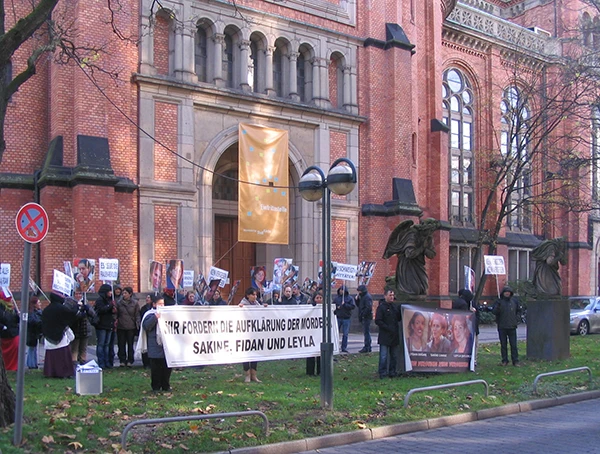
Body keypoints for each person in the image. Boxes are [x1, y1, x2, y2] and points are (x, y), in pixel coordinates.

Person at [382, 218, 440, 295]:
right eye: (428, 231)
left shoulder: (428, 237)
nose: (429, 233)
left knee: (423, 288)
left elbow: (432, 255)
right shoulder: (412, 234)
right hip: (407, 265)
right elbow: (410, 254)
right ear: (424, 228)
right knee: (414, 290)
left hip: (419, 264)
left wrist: (426, 248)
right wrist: (422, 247)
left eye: (431, 231)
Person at [42, 293, 78, 378]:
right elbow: (71, 315)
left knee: (52, 356)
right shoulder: (61, 308)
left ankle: (51, 372)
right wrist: (76, 307)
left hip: (49, 335)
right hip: (60, 335)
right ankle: (64, 372)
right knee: (63, 355)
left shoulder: (46, 309)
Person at [140, 296, 172, 392]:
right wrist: (155, 318)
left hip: (165, 345)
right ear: (154, 304)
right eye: (159, 304)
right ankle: (156, 387)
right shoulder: (149, 314)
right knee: (156, 369)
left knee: (167, 368)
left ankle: (165, 385)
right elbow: (146, 326)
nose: (162, 306)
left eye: (163, 304)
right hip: (154, 345)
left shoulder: (166, 313)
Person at [238, 287, 267, 382]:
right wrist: (239, 308)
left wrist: (264, 308)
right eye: (253, 295)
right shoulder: (242, 304)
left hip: (255, 333)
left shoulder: (257, 304)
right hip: (245, 333)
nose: (255, 297)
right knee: (246, 353)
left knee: (255, 353)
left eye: (255, 295)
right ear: (247, 295)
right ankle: (247, 375)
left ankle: (254, 375)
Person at [492, 286, 522, 366]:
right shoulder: (499, 301)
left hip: (512, 326)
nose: (507, 293)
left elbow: (519, 310)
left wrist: (517, 319)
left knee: (514, 345)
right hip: (502, 326)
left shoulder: (514, 301)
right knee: (503, 345)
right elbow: (494, 312)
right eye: (506, 292)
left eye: (508, 292)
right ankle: (504, 360)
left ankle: (515, 360)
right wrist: (497, 307)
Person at [375, 288, 401, 379]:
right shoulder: (381, 307)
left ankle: (392, 372)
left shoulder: (394, 307)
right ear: (385, 296)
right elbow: (378, 320)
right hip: (385, 335)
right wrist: (387, 328)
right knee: (384, 356)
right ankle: (382, 372)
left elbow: (398, 318)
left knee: (394, 356)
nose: (392, 297)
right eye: (390, 295)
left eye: (393, 295)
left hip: (394, 335)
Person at [117, 287, 140, 367]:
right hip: (121, 326)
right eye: (123, 293)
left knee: (130, 344)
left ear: (130, 294)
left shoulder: (135, 303)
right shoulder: (119, 303)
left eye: (126, 293)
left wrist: (138, 324)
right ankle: (122, 360)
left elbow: (137, 314)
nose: (124, 295)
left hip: (131, 327)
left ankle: (130, 360)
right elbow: (117, 314)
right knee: (121, 344)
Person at [69, 294, 96, 365]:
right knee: (74, 349)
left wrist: (87, 309)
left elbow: (93, 314)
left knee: (83, 349)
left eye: (80, 294)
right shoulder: (70, 303)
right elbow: (70, 315)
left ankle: (83, 364)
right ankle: (74, 366)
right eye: (77, 294)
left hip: (85, 329)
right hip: (76, 329)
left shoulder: (86, 302)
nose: (79, 295)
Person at [94, 284, 116, 369]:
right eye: (109, 291)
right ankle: (101, 362)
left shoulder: (110, 300)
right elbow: (101, 310)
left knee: (107, 344)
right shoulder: (100, 300)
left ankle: (107, 362)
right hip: (101, 325)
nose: (111, 293)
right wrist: (110, 306)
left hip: (109, 324)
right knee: (101, 344)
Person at [0, 297, 20, 371]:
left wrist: (18, 316)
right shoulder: (1, 309)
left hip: (13, 334)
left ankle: (14, 367)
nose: (11, 300)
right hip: (4, 335)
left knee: (15, 351)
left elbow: (16, 320)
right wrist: (2, 327)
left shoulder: (13, 309)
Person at [334, 286, 355, 353]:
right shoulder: (337, 298)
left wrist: (345, 305)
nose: (341, 291)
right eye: (340, 290)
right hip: (338, 317)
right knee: (336, 333)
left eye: (342, 290)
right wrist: (337, 308)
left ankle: (344, 347)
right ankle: (336, 346)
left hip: (346, 318)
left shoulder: (350, 298)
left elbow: (352, 306)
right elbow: (333, 306)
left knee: (345, 334)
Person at [306, 291, 323, 376]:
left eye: (320, 298)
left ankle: (320, 371)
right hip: (311, 333)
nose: (319, 300)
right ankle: (310, 372)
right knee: (311, 352)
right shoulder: (310, 308)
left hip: (321, 334)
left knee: (321, 353)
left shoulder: (327, 308)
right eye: (317, 298)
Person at [26, 296, 43, 369]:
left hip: (35, 333)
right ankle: (31, 364)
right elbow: (32, 321)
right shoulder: (30, 312)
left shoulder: (38, 312)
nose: (40, 304)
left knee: (34, 349)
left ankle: (34, 363)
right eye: (38, 302)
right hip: (31, 333)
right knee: (32, 349)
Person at [356, 285, 373, 353]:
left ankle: (367, 346)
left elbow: (368, 307)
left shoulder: (367, 297)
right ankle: (367, 346)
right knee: (366, 332)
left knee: (367, 332)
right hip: (364, 316)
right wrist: (357, 300)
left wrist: (363, 315)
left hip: (366, 317)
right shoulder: (363, 297)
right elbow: (359, 305)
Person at [139, 294, 154, 369]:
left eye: (149, 297)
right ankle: (146, 363)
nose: (147, 299)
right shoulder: (143, 308)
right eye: (146, 297)